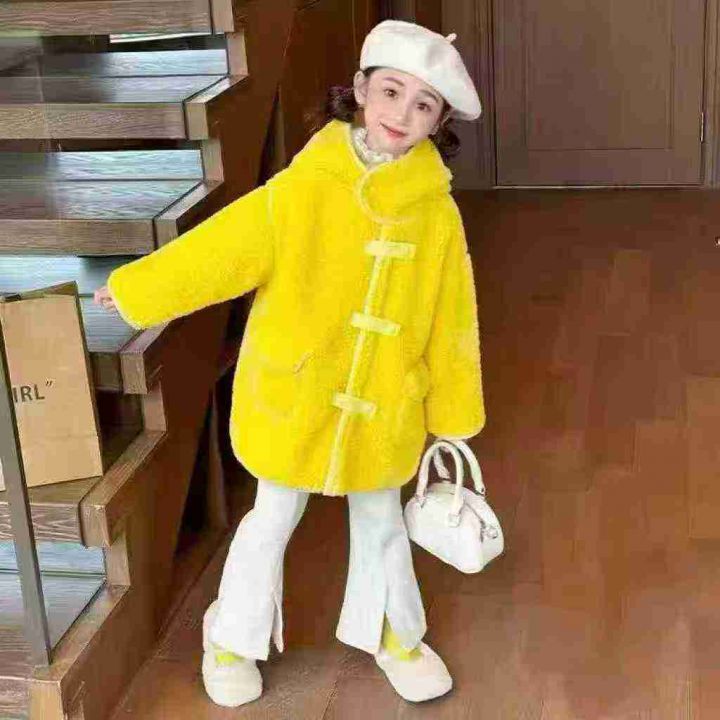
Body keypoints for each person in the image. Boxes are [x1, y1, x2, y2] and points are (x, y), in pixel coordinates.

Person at [94, 19, 486, 707]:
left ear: (439, 121)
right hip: (296, 391)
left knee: (383, 522)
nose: (402, 113)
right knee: (270, 520)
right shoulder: (303, 187)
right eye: (391, 91)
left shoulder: (437, 216)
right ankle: (230, 638)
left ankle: (396, 635)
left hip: (386, 401)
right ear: (360, 89)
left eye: (423, 104)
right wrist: (139, 289)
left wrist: (452, 414)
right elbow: (224, 248)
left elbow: (453, 321)